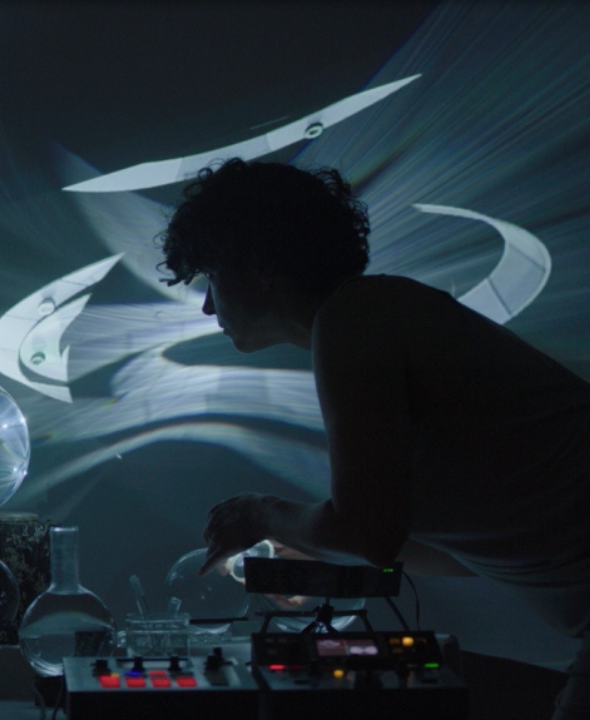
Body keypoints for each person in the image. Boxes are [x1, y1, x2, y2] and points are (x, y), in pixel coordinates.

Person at [160, 158, 590, 719]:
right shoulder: (376, 315)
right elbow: (460, 547)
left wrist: (260, 514)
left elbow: (366, 531)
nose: (208, 305)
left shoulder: (356, 318)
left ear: (259, 266)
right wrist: (312, 541)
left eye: (212, 278)